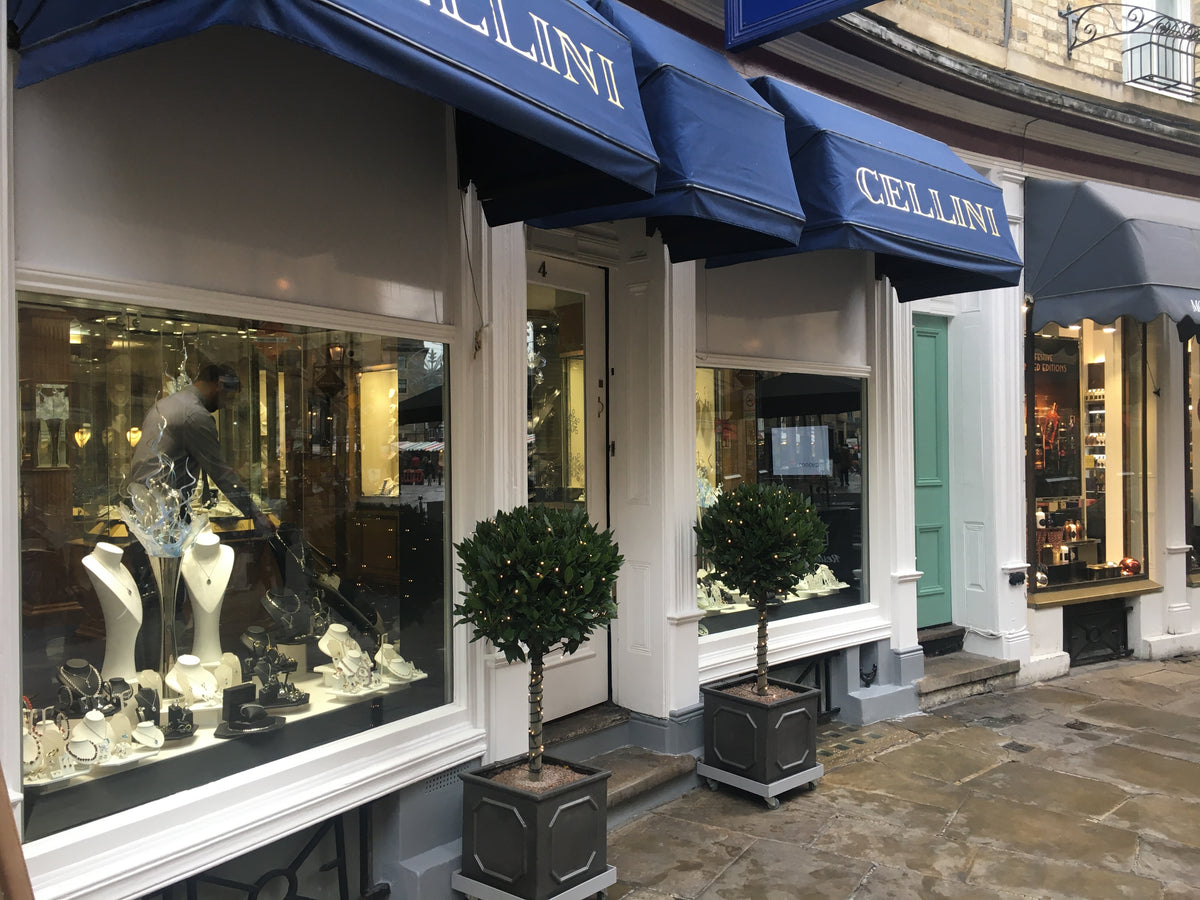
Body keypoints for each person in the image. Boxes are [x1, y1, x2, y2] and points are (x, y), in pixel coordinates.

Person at [125, 363, 275, 533]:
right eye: (229, 398)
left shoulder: (164, 404)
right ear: (219, 385)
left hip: (143, 509)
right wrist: (255, 514)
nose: (226, 405)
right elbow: (221, 473)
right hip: (163, 517)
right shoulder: (195, 415)